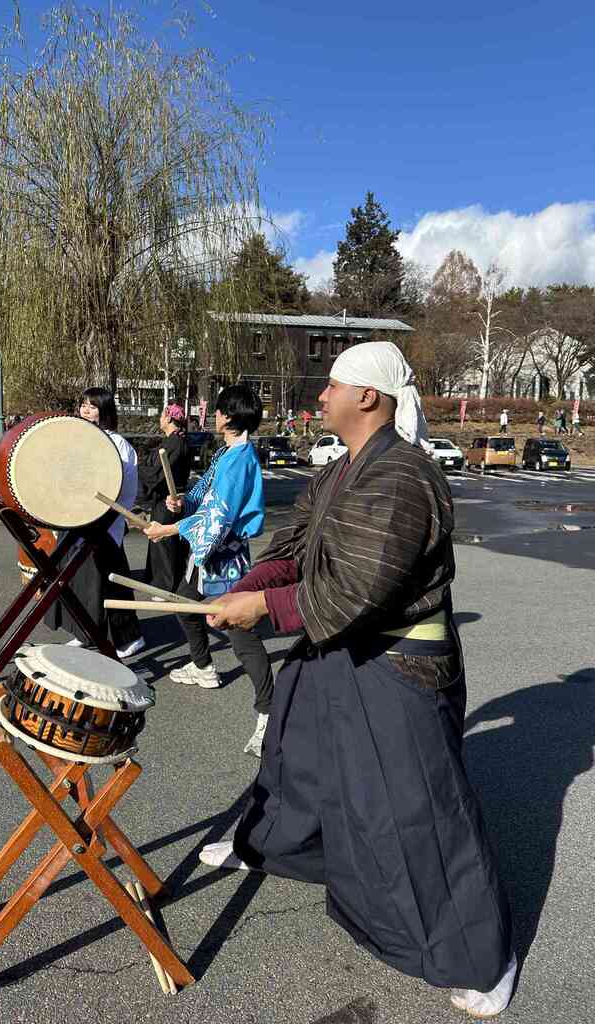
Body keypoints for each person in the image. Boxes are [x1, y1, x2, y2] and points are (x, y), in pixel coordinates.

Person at [198, 343, 516, 1018]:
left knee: (416, 808)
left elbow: (358, 589)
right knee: (297, 753)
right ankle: (273, 845)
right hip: (338, 649)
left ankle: (478, 956)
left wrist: (263, 608)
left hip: (396, 659)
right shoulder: (340, 469)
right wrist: (249, 585)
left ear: (368, 397)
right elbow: (295, 549)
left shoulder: (403, 477)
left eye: (332, 385)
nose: (321, 396)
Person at [144, 384, 273, 757]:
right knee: (186, 602)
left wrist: (170, 529)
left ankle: (270, 713)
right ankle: (202, 666)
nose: (213, 416)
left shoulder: (240, 459)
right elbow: (205, 497)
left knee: (241, 636)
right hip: (209, 557)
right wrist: (183, 502)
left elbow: (219, 516)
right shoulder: (226, 453)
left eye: (218, 411)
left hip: (226, 560)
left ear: (229, 416)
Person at [44, 388, 145, 660]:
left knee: (111, 581)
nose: (85, 410)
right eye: (83, 405)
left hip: (104, 523)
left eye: (92, 406)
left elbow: (125, 487)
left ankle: (129, 636)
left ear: (105, 411)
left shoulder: (119, 444)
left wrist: (106, 513)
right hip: (75, 519)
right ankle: (85, 631)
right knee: (77, 580)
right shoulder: (77, 439)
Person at [138, 404, 191, 594]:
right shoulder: (172, 441)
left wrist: (139, 468)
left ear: (168, 418)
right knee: (164, 542)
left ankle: (165, 587)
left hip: (169, 499)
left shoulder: (175, 443)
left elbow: (157, 473)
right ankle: (162, 583)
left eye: (162, 415)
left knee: (165, 543)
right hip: (165, 499)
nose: (160, 419)